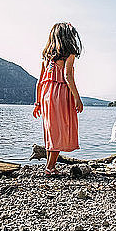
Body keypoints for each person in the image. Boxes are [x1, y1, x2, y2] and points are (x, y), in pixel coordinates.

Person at [33, 22, 83, 176]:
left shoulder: (47, 56)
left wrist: (38, 102)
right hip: (61, 94)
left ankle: (50, 166)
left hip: (46, 94)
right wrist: (77, 98)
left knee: (51, 129)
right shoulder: (69, 54)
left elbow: (39, 81)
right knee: (60, 130)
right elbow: (67, 76)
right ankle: (50, 167)